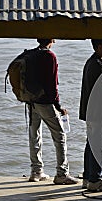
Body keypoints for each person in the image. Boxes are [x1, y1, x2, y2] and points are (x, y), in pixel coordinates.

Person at [28, 38, 78, 185]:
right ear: (51, 40)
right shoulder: (49, 56)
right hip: (45, 102)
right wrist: (58, 106)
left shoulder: (31, 55)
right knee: (60, 135)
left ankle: (36, 171)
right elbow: (51, 85)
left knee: (34, 135)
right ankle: (62, 173)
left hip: (31, 101)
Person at [79, 39, 102, 192]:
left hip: (89, 111)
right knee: (96, 146)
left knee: (91, 144)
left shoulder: (91, 62)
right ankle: (95, 179)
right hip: (97, 112)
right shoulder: (97, 65)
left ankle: (88, 177)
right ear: (97, 47)